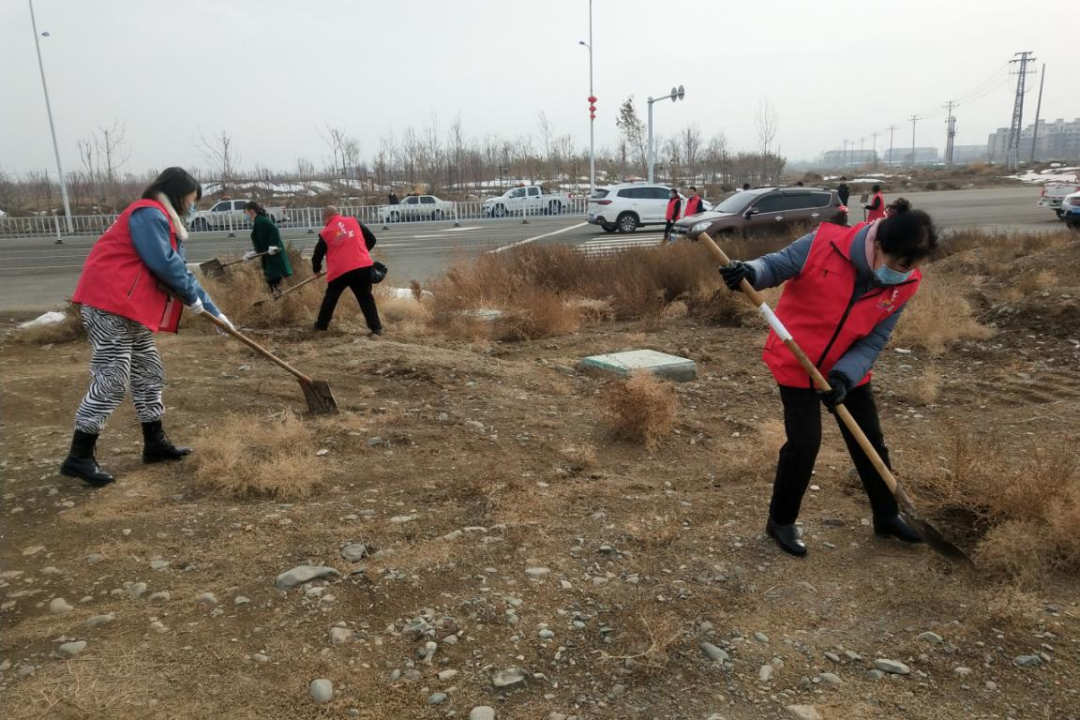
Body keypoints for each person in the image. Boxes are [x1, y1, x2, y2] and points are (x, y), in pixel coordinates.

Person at [718, 198, 936, 558]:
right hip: (797, 361)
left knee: (870, 442)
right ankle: (781, 522)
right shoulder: (824, 243)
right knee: (804, 446)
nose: (904, 273)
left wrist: (844, 377)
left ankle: (887, 515)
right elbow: (775, 265)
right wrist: (748, 272)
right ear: (879, 245)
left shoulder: (906, 282)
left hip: (847, 370)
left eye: (912, 267)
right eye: (899, 264)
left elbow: (875, 339)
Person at [63, 167, 232, 487]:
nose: (191, 206)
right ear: (177, 194)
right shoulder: (148, 214)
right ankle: (79, 455)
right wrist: (189, 298)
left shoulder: (166, 221)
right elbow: (164, 264)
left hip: (130, 309)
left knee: (149, 371)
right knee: (113, 377)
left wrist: (214, 311)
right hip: (107, 303)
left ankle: (154, 442)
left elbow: (178, 268)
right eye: (191, 200)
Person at [312, 206, 383, 335]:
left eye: (323, 220)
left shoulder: (326, 232)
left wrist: (316, 269)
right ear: (338, 214)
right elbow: (372, 239)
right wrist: (361, 252)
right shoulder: (354, 221)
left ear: (327, 218)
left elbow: (317, 254)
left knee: (331, 298)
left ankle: (321, 325)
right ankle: (376, 328)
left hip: (340, 271)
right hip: (362, 266)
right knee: (366, 298)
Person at [243, 201, 292, 296]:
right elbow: (261, 240)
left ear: (251, 211)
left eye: (245, 212)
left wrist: (274, 245)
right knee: (271, 279)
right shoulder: (258, 221)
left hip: (274, 255)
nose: (245, 214)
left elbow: (274, 230)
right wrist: (252, 253)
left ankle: (278, 297)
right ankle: (277, 297)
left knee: (273, 278)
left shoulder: (261, 221)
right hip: (269, 256)